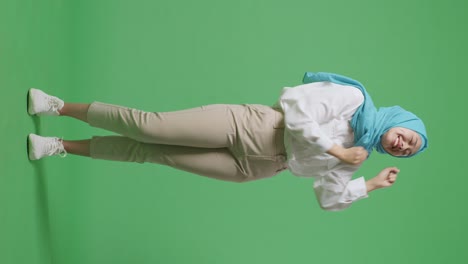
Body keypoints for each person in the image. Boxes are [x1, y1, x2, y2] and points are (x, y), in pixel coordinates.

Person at [27, 72, 428, 211]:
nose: (402, 145)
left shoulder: (357, 158)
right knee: (150, 126)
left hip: (260, 166)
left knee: (149, 155)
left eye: (408, 150)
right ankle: (58, 106)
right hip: (255, 127)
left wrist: (369, 183)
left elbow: (327, 197)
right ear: (402, 121)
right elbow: (297, 106)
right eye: (408, 137)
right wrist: (336, 148)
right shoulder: (355, 99)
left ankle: (59, 146)